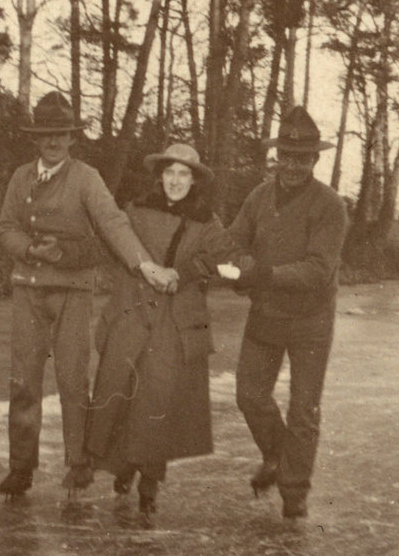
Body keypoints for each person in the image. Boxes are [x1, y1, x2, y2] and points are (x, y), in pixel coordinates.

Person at [0, 91, 175, 501]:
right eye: (45, 135)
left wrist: (144, 265)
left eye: (60, 134)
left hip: (73, 293)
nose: (53, 142)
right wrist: (27, 249)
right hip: (28, 290)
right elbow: (5, 228)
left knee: (73, 380)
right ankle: (21, 467)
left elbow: (113, 224)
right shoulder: (20, 177)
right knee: (24, 380)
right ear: (35, 139)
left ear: (72, 137)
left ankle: (79, 464)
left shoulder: (86, 178)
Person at [84, 143, 239, 528]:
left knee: (160, 402)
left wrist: (185, 274)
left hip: (177, 319)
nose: (174, 180)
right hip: (133, 313)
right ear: (160, 175)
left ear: (194, 180)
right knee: (122, 395)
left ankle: (149, 484)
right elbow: (117, 245)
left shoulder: (207, 221)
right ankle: (123, 466)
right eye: (169, 172)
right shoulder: (135, 210)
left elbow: (226, 258)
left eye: (183, 174)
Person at [227, 106, 349, 519]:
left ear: (316, 159)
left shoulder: (330, 205)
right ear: (276, 157)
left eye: (304, 157)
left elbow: (318, 270)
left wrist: (260, 272)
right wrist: (238, 267)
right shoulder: (258, 197)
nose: (294, 165)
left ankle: (294, 494)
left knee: (304, 408)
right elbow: (233, 241)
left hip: (311, 321)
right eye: (287, 156)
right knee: (249, 395)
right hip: (266, 313)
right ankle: (279, 456)